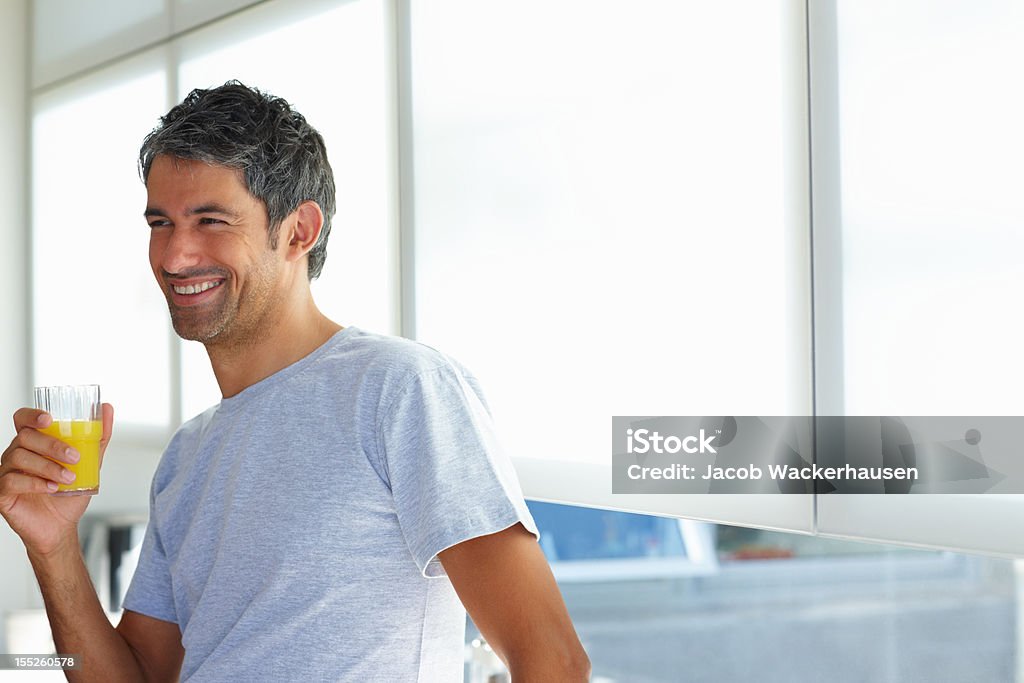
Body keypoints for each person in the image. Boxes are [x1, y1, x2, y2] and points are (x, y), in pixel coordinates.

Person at [0, 81, 591, 682]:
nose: (175, 256)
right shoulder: (188, 455)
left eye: (210, 220)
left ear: (299, 231)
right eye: (161, 222)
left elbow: (552, 661)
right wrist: (53, 549)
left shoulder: (399, 389)